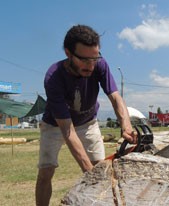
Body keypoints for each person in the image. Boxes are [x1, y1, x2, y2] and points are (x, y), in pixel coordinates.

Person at [35, 24, 137, 206]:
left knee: (101, 169)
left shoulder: (99, 63)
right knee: (45, 173)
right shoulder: (53, 77)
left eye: (94, 59)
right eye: (84, 60)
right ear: (68, 53)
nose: (91, 66)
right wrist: (87, 170)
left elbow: (115, 97)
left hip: (88, 122)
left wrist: (126, 125)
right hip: (55, 125)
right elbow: (67, 129)